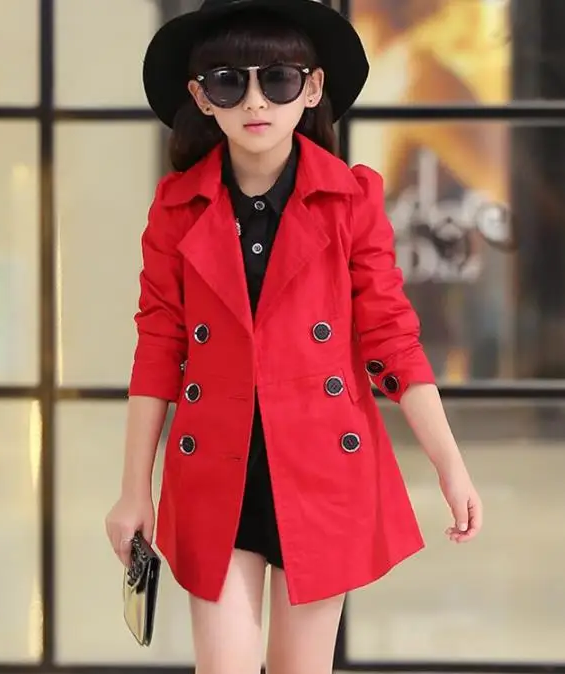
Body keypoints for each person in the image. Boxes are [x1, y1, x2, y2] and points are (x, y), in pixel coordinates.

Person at [105, 1, 483, 672]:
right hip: (214, 472)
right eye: (229, 82)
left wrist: (450, 467)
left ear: (311, 89)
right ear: (202, 97)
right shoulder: (176, 208)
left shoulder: (351, 200)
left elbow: (391, 341)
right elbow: (159, 349)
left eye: (277, 79)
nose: (255, 100)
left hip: (322, 470)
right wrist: (134, 490)